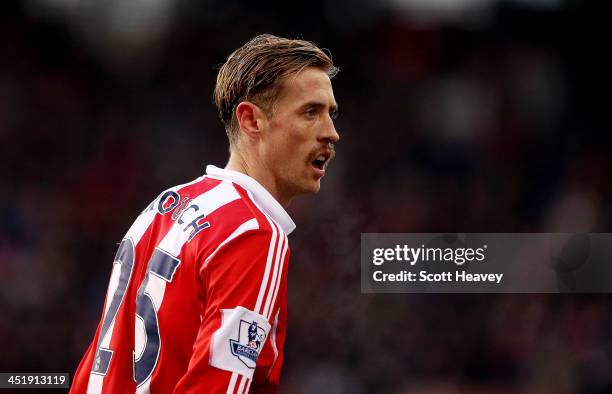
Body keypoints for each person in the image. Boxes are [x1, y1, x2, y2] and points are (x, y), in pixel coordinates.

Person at [70, 34, 340, 394]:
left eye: (330, 114)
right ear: (251, 120)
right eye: (311, 112)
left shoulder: (164, 206)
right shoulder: (255, 231)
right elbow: (217, 385)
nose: (331, 133)